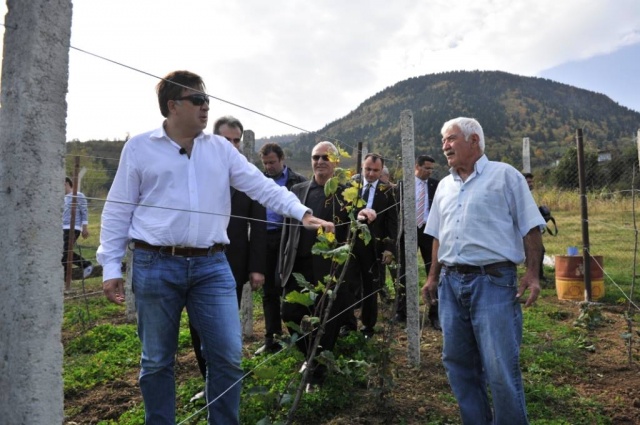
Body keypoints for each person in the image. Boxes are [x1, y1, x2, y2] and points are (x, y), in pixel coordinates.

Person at [96, 70, 333, 425]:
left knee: (227, 356)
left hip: (211, 266)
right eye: (198, 100)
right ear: (173, 106)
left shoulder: (220, 150)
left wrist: (301, 212)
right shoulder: (140, 148)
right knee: (157, 360)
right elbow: (118, 208)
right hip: (155, 264)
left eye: (208, 100)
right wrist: (111, 265)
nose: (207, 106)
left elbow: (260, 185)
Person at [421, 117, 544, 425]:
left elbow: (531, 227)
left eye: (450, 139)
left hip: (493, 282)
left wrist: (532, 274)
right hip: (450, 283)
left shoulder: (505, 176)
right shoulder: (445, 186)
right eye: (443, 141)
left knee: (499, 365)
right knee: (458, 363)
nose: (444, 146)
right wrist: (433, 276)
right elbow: (438, 235)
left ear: (474, 140)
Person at [279, 141, 376, 392]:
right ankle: (310, 356)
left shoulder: (347, 192)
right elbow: (287, 233)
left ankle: (317, 371)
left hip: (330, 269)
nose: (320, 161)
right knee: (290, 313)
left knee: (327, 320)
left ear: (335, 162)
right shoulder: (297, 190)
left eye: (325, 157)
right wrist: (283, 262)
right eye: (316, 157)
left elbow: (361, 217)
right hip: (298, 267)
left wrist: (367, 213)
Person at [188, 115, 268, 401]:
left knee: (223, 329)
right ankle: (208, 382)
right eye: (227, 140)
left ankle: (225, 382)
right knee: (197, 328)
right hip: (192, 263)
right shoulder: (196, 170)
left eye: (237, 141)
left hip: (231, 266)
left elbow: (258, 228)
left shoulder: (248, 177)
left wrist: (257, 268)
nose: (233, 146)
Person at [254, 142, 306, 355]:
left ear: (282, 159)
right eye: (265, 163)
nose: (269, 167)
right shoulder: (258, 182)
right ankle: (272, 338)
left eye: (272, 162)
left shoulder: (299, 182)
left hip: (288, 240)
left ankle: (300, 335)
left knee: (290, 286)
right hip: (264, 238)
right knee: (269, 290)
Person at [344, 153, 398, 338]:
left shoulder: (388, 192)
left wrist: (389, 248)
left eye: (375, 170)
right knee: (348, 284)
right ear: (362, 167)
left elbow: (392, 223)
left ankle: (368, 326)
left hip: (373, 247)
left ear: (381, 170)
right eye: (367, 169)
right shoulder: (351, 188)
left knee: (371, 286)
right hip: (350, 244)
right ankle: (348, 324)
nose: (371, 174)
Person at [396, 155, 440, 330]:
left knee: (433, 270)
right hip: (408, 230)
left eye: (431, 169)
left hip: (429, 231)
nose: (429, 172)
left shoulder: (436, 185)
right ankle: (402, 310)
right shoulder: (403, 184)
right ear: (417, 166)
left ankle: (434, 314)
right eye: (426, 168)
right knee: (404, 270)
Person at [62, 176, 93, 278]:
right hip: (62, 228)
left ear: (66, 183)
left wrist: (84, 228)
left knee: (65, 251)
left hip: (73, 228)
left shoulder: (78, 195)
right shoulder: (61, 198)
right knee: (63, 254)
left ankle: (86, 265)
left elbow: (84, 212)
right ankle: (65, 279)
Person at [523, 172, 546, 280]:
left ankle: (538, 275)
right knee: (536, 250)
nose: (531, 184)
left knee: (540, 250)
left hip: (533, 227)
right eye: (528, 182)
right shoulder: (521, 195)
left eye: (531, 182)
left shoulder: (530, 195)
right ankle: (534, 275)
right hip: (525, 230)